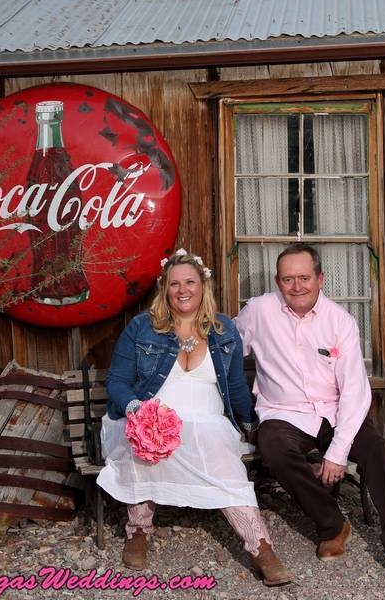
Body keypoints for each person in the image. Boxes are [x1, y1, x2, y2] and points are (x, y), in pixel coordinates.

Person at [235, 243, 385, 582]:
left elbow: (354, 391)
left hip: (335, 412)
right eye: (288, 279)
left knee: (376, 448)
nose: (297, 286)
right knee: (273, 449)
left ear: (321, 278)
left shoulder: (340, 322)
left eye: (304, 277)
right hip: (284, 412)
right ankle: (332, 523)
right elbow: (225, 347)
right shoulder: (259, 312)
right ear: (277, 281)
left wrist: (336, 454)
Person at [98, 249, 292, 587]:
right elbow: (117, 381)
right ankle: (139, 531)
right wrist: (135, 409)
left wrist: (251, 426)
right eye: (174, 284)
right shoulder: (143, 328)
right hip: (153, 416)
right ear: (164, 288)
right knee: (142, 444)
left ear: (203, 286)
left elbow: (234, 385)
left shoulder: (223, 330)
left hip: (208, 423)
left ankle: (260, 546)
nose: (182, 290)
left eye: (190, 282)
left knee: (219, 448)